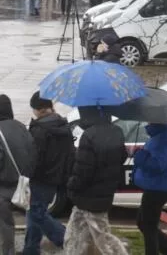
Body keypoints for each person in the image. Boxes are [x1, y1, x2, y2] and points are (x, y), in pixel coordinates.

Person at [64, 108, 128, 255]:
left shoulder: (89, 135)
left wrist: (71, 186)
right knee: (77, 235)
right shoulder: (117, 131)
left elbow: (83, 170)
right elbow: (122, 157)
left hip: (88, 196)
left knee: (102, 239)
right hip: (104, 192)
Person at [0, 95, 36, 255]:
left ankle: (7, 252)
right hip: (21, 182)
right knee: (29, 218)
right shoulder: (21, 127)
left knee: (4, 224)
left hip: (2, 184)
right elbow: (33, 152)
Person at [23, 92, 73, 255]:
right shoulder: (62, 125)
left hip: (40, 177)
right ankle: (30, 249)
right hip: (56, 177)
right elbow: (69, 153)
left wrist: (26, 173)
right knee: (34, 211)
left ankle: (65, 238)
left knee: (37, 213)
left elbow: (34, 157)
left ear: (39, 109)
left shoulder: (40, 129)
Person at [133, 123, 167, 255]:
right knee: (143, 222)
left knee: (148, 225)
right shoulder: (165, 134)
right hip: (160, 185)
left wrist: (140, 156)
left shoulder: (163, 138)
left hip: (158, 187)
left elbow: (158, 165)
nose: (147, 121)